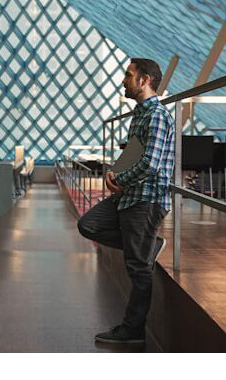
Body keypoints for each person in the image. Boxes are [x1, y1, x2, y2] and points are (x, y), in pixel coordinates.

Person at [77, 58, 175, 344]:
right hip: (130, 194)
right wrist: (116, 173)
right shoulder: (141, 114)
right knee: (89, 224)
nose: (123, 80)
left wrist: (121, 178)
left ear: (144, 80)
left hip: (146, 199)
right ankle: (148, 244)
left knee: (137, 267)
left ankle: (133, 331)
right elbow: (137, 154)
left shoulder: (156, 115)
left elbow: (151, 164)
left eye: (128, 75)